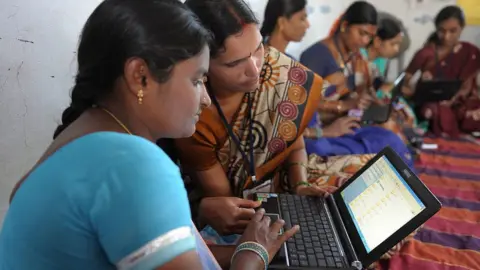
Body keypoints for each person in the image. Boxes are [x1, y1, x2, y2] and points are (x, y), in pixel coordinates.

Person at [0, 1, 299, 269]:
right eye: (196, 80)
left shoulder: (83, 134)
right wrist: (252, 253)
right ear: (140, 76)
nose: (205, 99)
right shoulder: (134, 165)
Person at [175, 0, 337, 245]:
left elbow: (295, 143)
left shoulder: (278, 73)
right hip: (245, 212)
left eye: (259, 48)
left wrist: (301, 184)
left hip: (289, 184)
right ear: (202, 64)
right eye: (234, 63)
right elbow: (231, 204)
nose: (255, 69)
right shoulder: (196, 116)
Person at [299, 1, 413, 166]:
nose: (364, 41)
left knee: (391, 140)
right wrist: (343, 106)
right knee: (322, 151)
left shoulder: (355, 56)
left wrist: (367, 103)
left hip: (347, 124)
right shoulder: (317, 55)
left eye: (369, 37)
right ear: (345, 26)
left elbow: (361, 90)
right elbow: (304, 104)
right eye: (361, 33)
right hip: (322, 131)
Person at [403, 5, 480, 137]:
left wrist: (454, 99)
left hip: (461, 102)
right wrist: (418, 90)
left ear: (462, 28)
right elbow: (405, 82)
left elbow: (470, 86)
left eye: (452, 31)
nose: (446, 36)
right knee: (433, 111)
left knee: (472, 114)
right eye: (441, 31)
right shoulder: (426, 53)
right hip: (435, 104)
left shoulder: (471, 52)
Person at [359, 18, 418, 129]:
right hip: (360, 105)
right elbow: (361, 90)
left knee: (406, 113)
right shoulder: (359, 58)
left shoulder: (381, 60)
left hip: (375, 100)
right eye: (393, 44)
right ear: (377, 42)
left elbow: (379, 85)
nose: (397, 49)